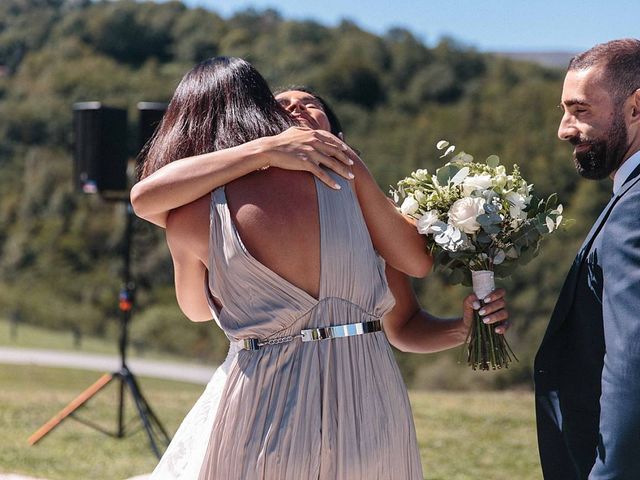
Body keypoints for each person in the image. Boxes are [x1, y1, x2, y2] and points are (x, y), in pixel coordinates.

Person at [133, 57, 509, 479]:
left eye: (309, 103)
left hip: (275, 400)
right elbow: (418, 263)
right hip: (364, 404)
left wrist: (463, 329)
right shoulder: (353, 199)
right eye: (281, 104)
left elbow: (404, 322)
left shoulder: (357, 201)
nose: (295, 109)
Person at [535, 38, 640, 479]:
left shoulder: (635, 208)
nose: (564, 128)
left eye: (580, 110)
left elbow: (632, 362)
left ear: (636, 107)